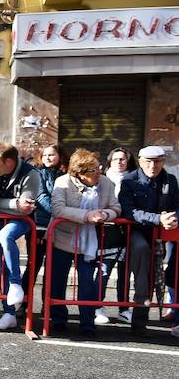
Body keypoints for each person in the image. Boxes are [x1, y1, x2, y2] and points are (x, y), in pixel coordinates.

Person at [48, 149, 121, 337]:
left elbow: (116, 207)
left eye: (98, 168)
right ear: (78, 173)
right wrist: (87, 216)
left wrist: (106, 214)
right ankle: (58, 319)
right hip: (63, 238)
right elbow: (57, 209)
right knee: (57, 280)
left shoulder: (106, 183)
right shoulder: (62, 182)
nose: (98, 173)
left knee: (87, 281)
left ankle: (87, 321)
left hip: (90, 241)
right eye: (92, 170)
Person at [118, 145, 179, 336]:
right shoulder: (129, 180)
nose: (153, 165)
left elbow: (177, 205)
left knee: (160, 275)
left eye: (158, 161)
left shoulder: (170, 180)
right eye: (148, 161)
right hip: (137, 231)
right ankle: (139, 323)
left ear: (163, 162)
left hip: (164, 232)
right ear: (140, 161)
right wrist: (158, 219)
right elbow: (129, 211)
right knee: (144, 272)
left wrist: (174, 218)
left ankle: (167, 316)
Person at [0, 143, 41, 331]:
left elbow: (26, 208)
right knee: (1, 266)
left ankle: (16, 284)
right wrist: (14, 204)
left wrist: (8, 207)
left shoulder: (31, 174)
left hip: (23, 221)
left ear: (9, 162)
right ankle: (8, 313)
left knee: (6, 235)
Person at [19, 144, 66, 317]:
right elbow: (40, 196)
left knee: (53, 269)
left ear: (60, 156)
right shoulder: (37, 173)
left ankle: (48, 305)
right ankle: (23, 303)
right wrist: (60, 210)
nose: (47, 157)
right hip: (38, 226)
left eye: (52, 154)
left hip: (60, 227)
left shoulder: (66, 175)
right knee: (33, 265)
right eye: (45, 154)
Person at [101, 147, 135, 325]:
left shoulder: (134, 178)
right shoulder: (102, 179)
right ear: (110, 161)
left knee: (125, 271)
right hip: (107, 230)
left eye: (123, 159)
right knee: (104, 269)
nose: (119, 162)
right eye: (116, 159)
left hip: (127, 230)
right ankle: (98, 306)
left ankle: (124, 308)